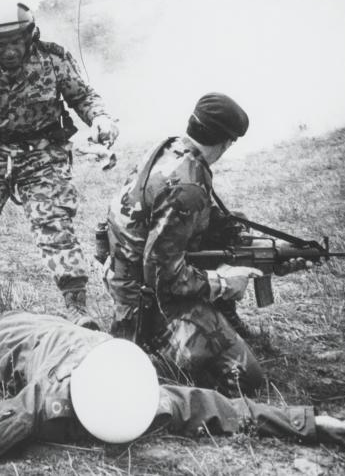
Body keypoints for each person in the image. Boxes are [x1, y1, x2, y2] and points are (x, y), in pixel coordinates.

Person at [0, 275, 345, 474]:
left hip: (86, 342)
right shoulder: (50, 403)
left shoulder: (144, 397)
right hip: (37, 340)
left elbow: (225, 408)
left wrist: (313, 423)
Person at [0, 1, 118, 328]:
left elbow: (84, 98)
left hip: (44, 153)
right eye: (0, 45)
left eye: (16, 42)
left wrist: (101, 119)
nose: (9, 51)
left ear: (29, 35)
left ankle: (77, 308)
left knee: (55, 225)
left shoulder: (53, 59)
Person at [106, 92, 269, 392]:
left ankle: (216, 318)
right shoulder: (188, 184)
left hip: (126, 273)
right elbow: (162, 277)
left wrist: (265, 252)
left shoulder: (171, 150)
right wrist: (222, 282)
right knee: (248, 377)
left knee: (235, 226)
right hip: (146, 303)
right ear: (225, 142)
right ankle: (149, 356)